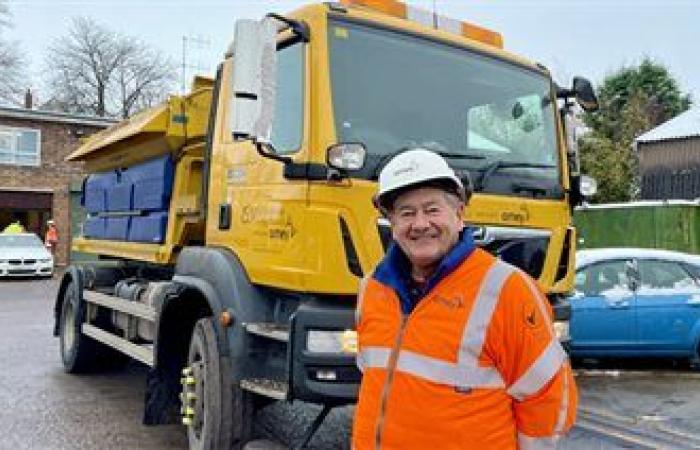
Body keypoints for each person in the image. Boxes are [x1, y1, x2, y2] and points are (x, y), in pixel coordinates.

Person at [352, 148, 576, 449]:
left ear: (459, 216)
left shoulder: (507, 289)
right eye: (406, 213)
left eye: (432, 210)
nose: (420, 224)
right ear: (392, 224)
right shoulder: (373, 289)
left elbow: (547, 395)